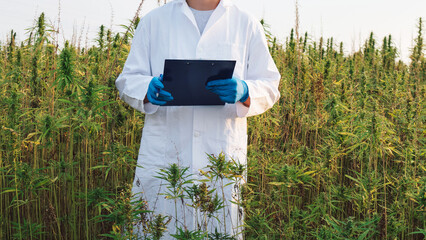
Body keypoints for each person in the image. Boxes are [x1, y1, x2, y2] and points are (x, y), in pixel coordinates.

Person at [115, 0, 281, 238]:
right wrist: (146, 88)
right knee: (159, 228)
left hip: (220, 154)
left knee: (219, 227)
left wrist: (245, 91)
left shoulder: (246, 23)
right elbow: (127, 79)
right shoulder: (154, 21)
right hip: (166, 153)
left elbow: (270, 84)